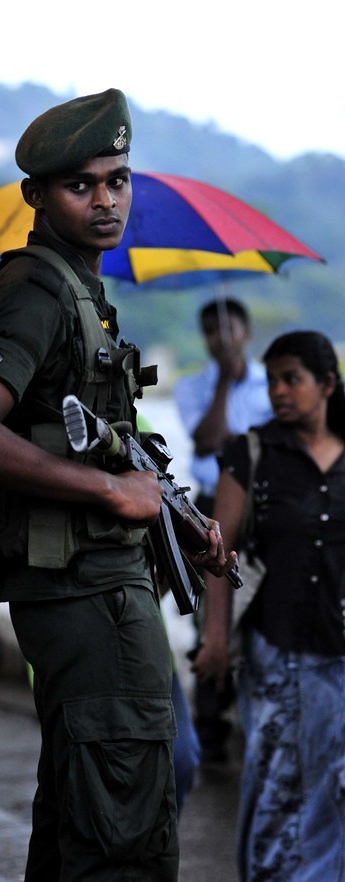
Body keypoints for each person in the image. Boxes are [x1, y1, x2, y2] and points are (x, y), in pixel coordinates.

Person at [0, 88, 235, 882]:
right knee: (126, 813)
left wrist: (172, 512)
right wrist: (108, 494)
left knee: (86, 802)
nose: (105, 201)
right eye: (80, 185)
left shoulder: (81, 292)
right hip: (80, 590)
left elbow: (100, 443)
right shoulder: (36, 289)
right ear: (36, 196)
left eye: (117, 180)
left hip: (100, 582)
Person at [192, 330, 345, 882]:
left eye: (292, 379)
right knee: (278, 787)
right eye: (273, 379)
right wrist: (215, 641)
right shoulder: (250, 454)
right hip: (278, 652)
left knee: (337, 790)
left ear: (326, 384)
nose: (279, 390)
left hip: (340, 650)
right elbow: (219, 555)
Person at [174, 297, 272, 762]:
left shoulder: (272, 382)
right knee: (210, 608)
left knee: (259, 604)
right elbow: (204, 441)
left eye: (229, 329)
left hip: (265, 507)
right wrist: (222, 387)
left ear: (246, 332)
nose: (221, 338)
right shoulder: (193, 386)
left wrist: (238, 442)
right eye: (211, 331)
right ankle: (211, 729)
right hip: (211, 504)